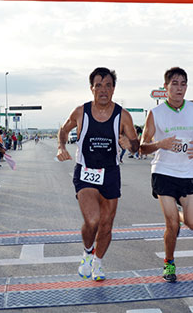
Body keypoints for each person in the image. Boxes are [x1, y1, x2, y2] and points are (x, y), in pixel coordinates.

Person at [56, 67, 139, 281]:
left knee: (106, 224)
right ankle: (87, 252)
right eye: (99, 85)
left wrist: (129, 144)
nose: (103, 90)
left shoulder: (123, 116)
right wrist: (61, 146)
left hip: (110, 173)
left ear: (113, 89)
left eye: (108, 85)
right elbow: (64, 130)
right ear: (91, 88)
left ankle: (98, 263)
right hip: (85, 171)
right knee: (92, 220)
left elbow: (136, 145)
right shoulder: (80, 112)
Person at [140, 67, 193, 283]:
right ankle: (169, 262)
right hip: (164, 172)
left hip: (188, 172)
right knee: (171, 224)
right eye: (175, 84)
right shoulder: (155, 113)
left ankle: (180, 216)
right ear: (166, 87)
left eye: (183, 84)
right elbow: (142, 146)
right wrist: (161, 143)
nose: (179, 88)